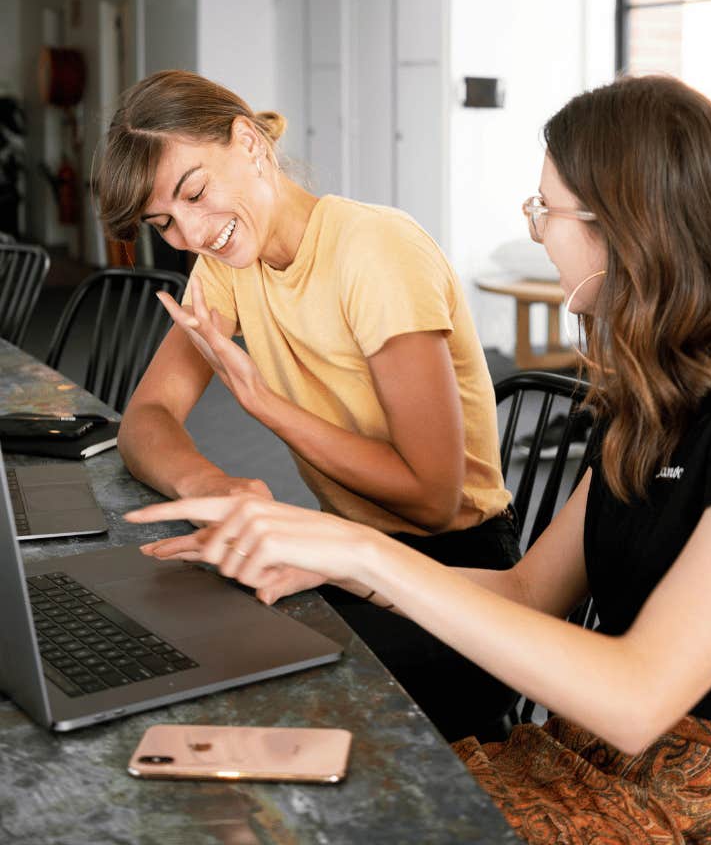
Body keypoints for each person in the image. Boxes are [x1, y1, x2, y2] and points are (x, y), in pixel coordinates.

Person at [128, 74, 711, 845]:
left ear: (623, 227)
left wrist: (356, 547)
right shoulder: (662, 389)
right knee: (251, 794)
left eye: (545, 210)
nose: (537, 232)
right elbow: (530, 591)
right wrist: (330, 563)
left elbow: (639, 698)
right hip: (585, 760)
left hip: (699, 807)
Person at [94, 69, 520, 741]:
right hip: (346, 556)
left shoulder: (374, 249)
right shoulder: (231, 262)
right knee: (178, 628)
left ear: (249, 144)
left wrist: (264, 403)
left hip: (459, 586)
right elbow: (147, 420)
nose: (192, 235)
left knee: (241, 683)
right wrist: (217, 484)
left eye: (196, 193)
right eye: (164, 222)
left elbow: (434, 498)